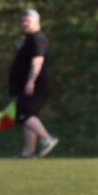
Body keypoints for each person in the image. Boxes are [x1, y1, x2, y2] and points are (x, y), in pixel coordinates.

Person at [8, 9, 58, 158]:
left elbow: (38, 62)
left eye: (27, 21)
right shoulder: (28, 39)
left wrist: (31, 81)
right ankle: (28, 152)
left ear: (37, 21)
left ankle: (47, 138)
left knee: (23, 113)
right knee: (29, 115)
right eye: (22, 21)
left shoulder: (38, 39)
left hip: (35, 84)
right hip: (25, 84)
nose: (24, 24)